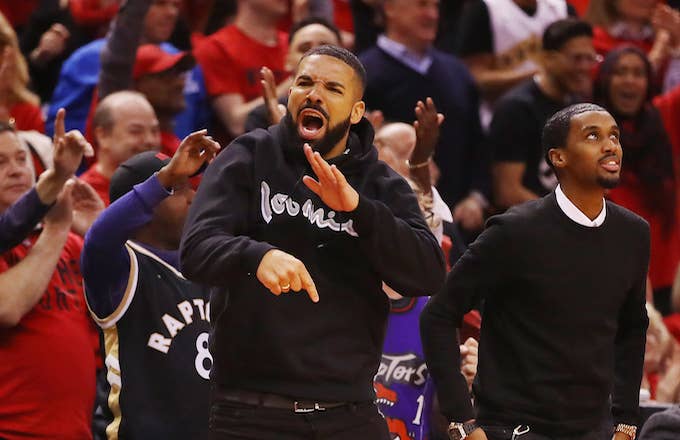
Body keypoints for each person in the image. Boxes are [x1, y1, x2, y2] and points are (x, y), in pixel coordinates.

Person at [180, 45, 445, 439]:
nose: (314, 94)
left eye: (333, 88)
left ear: (356, 111)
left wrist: (358, 210)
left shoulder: (379, 184)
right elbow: (196, 249)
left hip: (350, 413)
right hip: (250, 413)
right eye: (304, 82)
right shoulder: (249, 157)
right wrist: (256, 255)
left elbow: (427, 273)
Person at [421, 103, 650, 440]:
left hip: (594, 429)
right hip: (513, 428)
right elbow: (438, 314)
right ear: (558, 157)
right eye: (593, 136)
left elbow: (632, 328)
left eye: (614, 136)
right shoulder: (514, 231)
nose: (611, 145)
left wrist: (626, 422)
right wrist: (462, 422)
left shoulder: (633, 233)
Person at [81, 131, 219, 439]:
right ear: (143, 203)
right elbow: (98, 240)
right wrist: (166, 178)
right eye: (178, 189)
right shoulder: (120, 268)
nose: (193, 197)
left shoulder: (205, 264)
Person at [0, 109, 102, 439]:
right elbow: (7, 307)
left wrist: (101, 233)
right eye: (0, 162)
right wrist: (57, 227)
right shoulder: (58, 236)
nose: (15, 170)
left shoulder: (71, 243)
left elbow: (127, 315)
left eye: (21, 158)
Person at [359, 0, 488, 234]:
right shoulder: (362, 73)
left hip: (459, 220)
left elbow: (478, 142)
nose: (432, 15)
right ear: (389, 7)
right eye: (422, 4)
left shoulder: (457, 71)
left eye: (436, 6)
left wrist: (476, 197)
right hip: (394, 221)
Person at [593, 46, 680, 315]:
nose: (630, 80)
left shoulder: (664, 117)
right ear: (604, 79)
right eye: (620, 72)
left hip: (669, 267)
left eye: (638, 73)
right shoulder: (585, 129)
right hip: (619, 269)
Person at [489, 18, 595, 210]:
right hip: (525, 231)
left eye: (590, 59)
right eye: (577, 58)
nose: (585, 67)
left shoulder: (579, 106)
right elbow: (508, 192)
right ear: (548, 59)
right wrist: (568, 217)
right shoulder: (516, 109)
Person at [455, 0, 570, 128]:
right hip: (500, 122)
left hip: (560, 117)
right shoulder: (485, 9)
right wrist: (538, 77)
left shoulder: (560, 8)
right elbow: (474, 78)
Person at [194, 0, 289, 139]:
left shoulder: (297, 43)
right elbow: (237, 123)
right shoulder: (216, 48)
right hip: (244, 155)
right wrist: (296, 80)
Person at [245, 16, 342, 132]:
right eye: (304, 48)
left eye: (325, 49)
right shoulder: (262, 118)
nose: (315, 56)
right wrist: (280, 132)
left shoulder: (356, 116)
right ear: (288, 61)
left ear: (345, 60)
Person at [80, 91, 161, 205]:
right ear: (103, 136)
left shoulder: (168, 190)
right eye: (136, 131)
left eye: (154, 131)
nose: (150, 140)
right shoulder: (81, 197)